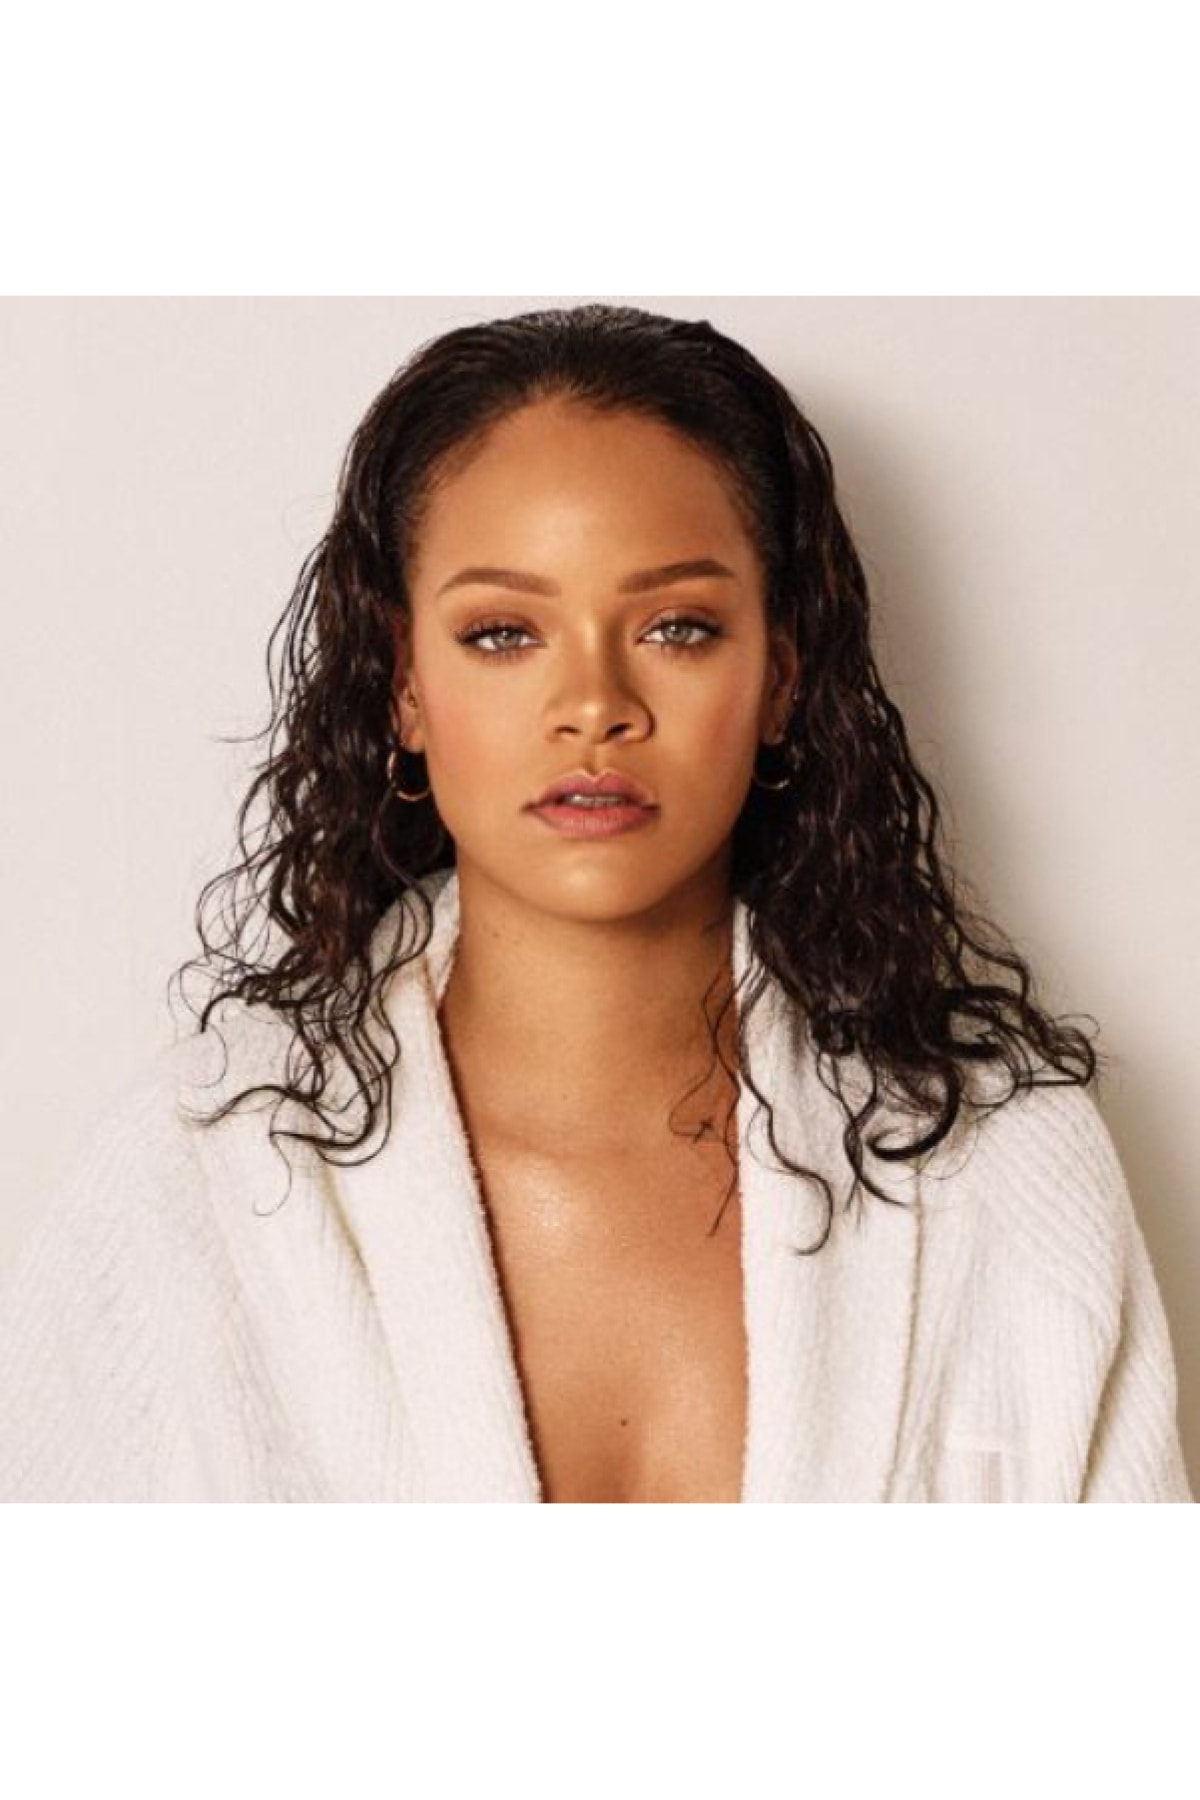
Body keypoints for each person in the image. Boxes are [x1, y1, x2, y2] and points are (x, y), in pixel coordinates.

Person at [0, 303, 1190, 1502]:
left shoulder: (998, 1165)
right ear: (403, 684)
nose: (595, 706)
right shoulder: (203, 1179)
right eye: (503, 633)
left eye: (678, 627)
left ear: (780, 677)